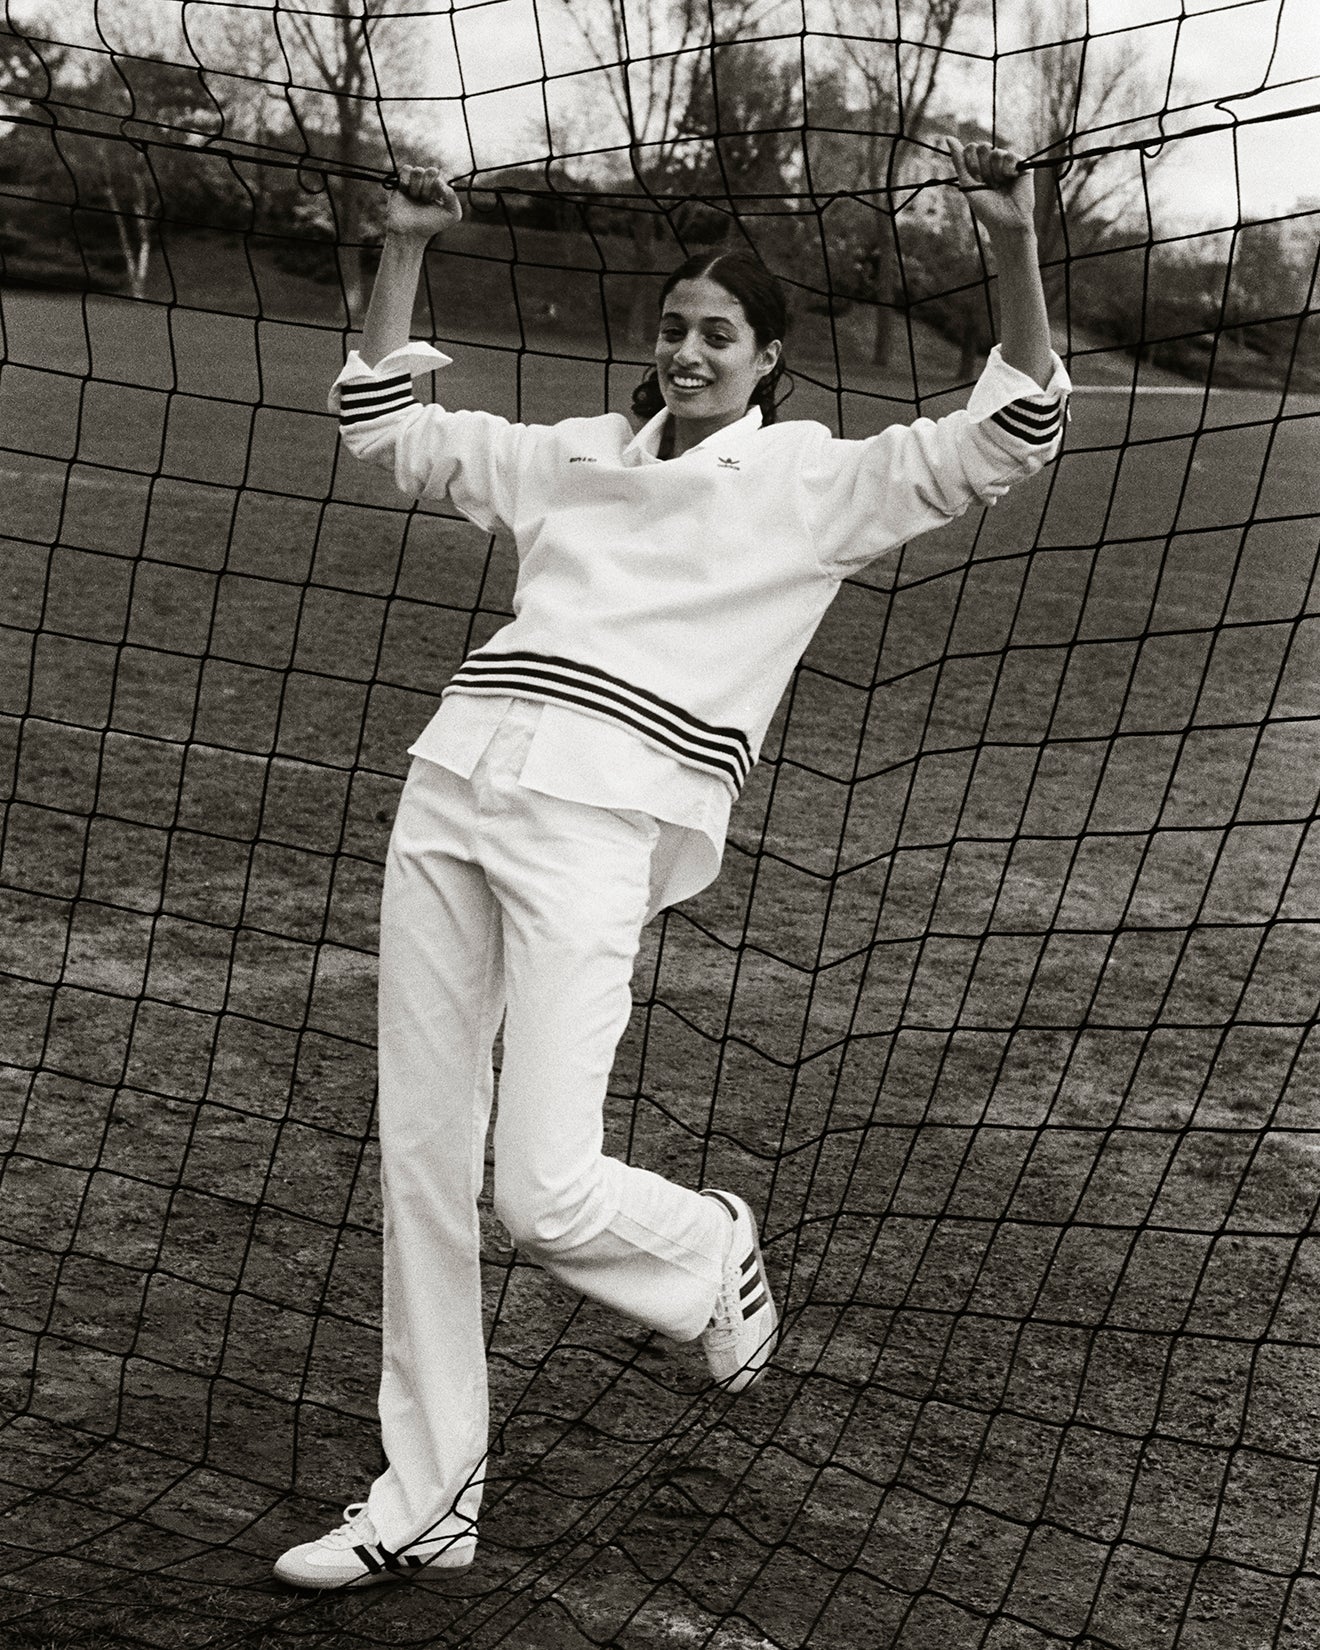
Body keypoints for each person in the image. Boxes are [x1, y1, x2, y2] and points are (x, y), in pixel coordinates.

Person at [274, 137, 1069, 1590]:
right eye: (675, 327)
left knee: (544, 1190)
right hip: (452, 788)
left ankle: (707, 1251)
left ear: (769, 361)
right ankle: (428, 1498)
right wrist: (404, 247)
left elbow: (1010, 430)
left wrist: (1012, 242)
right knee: (421, 1160)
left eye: (719, 334)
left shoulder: (815, 482)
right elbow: (387, 425)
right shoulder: (575, 454)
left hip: (601, 825)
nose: (688, 351)